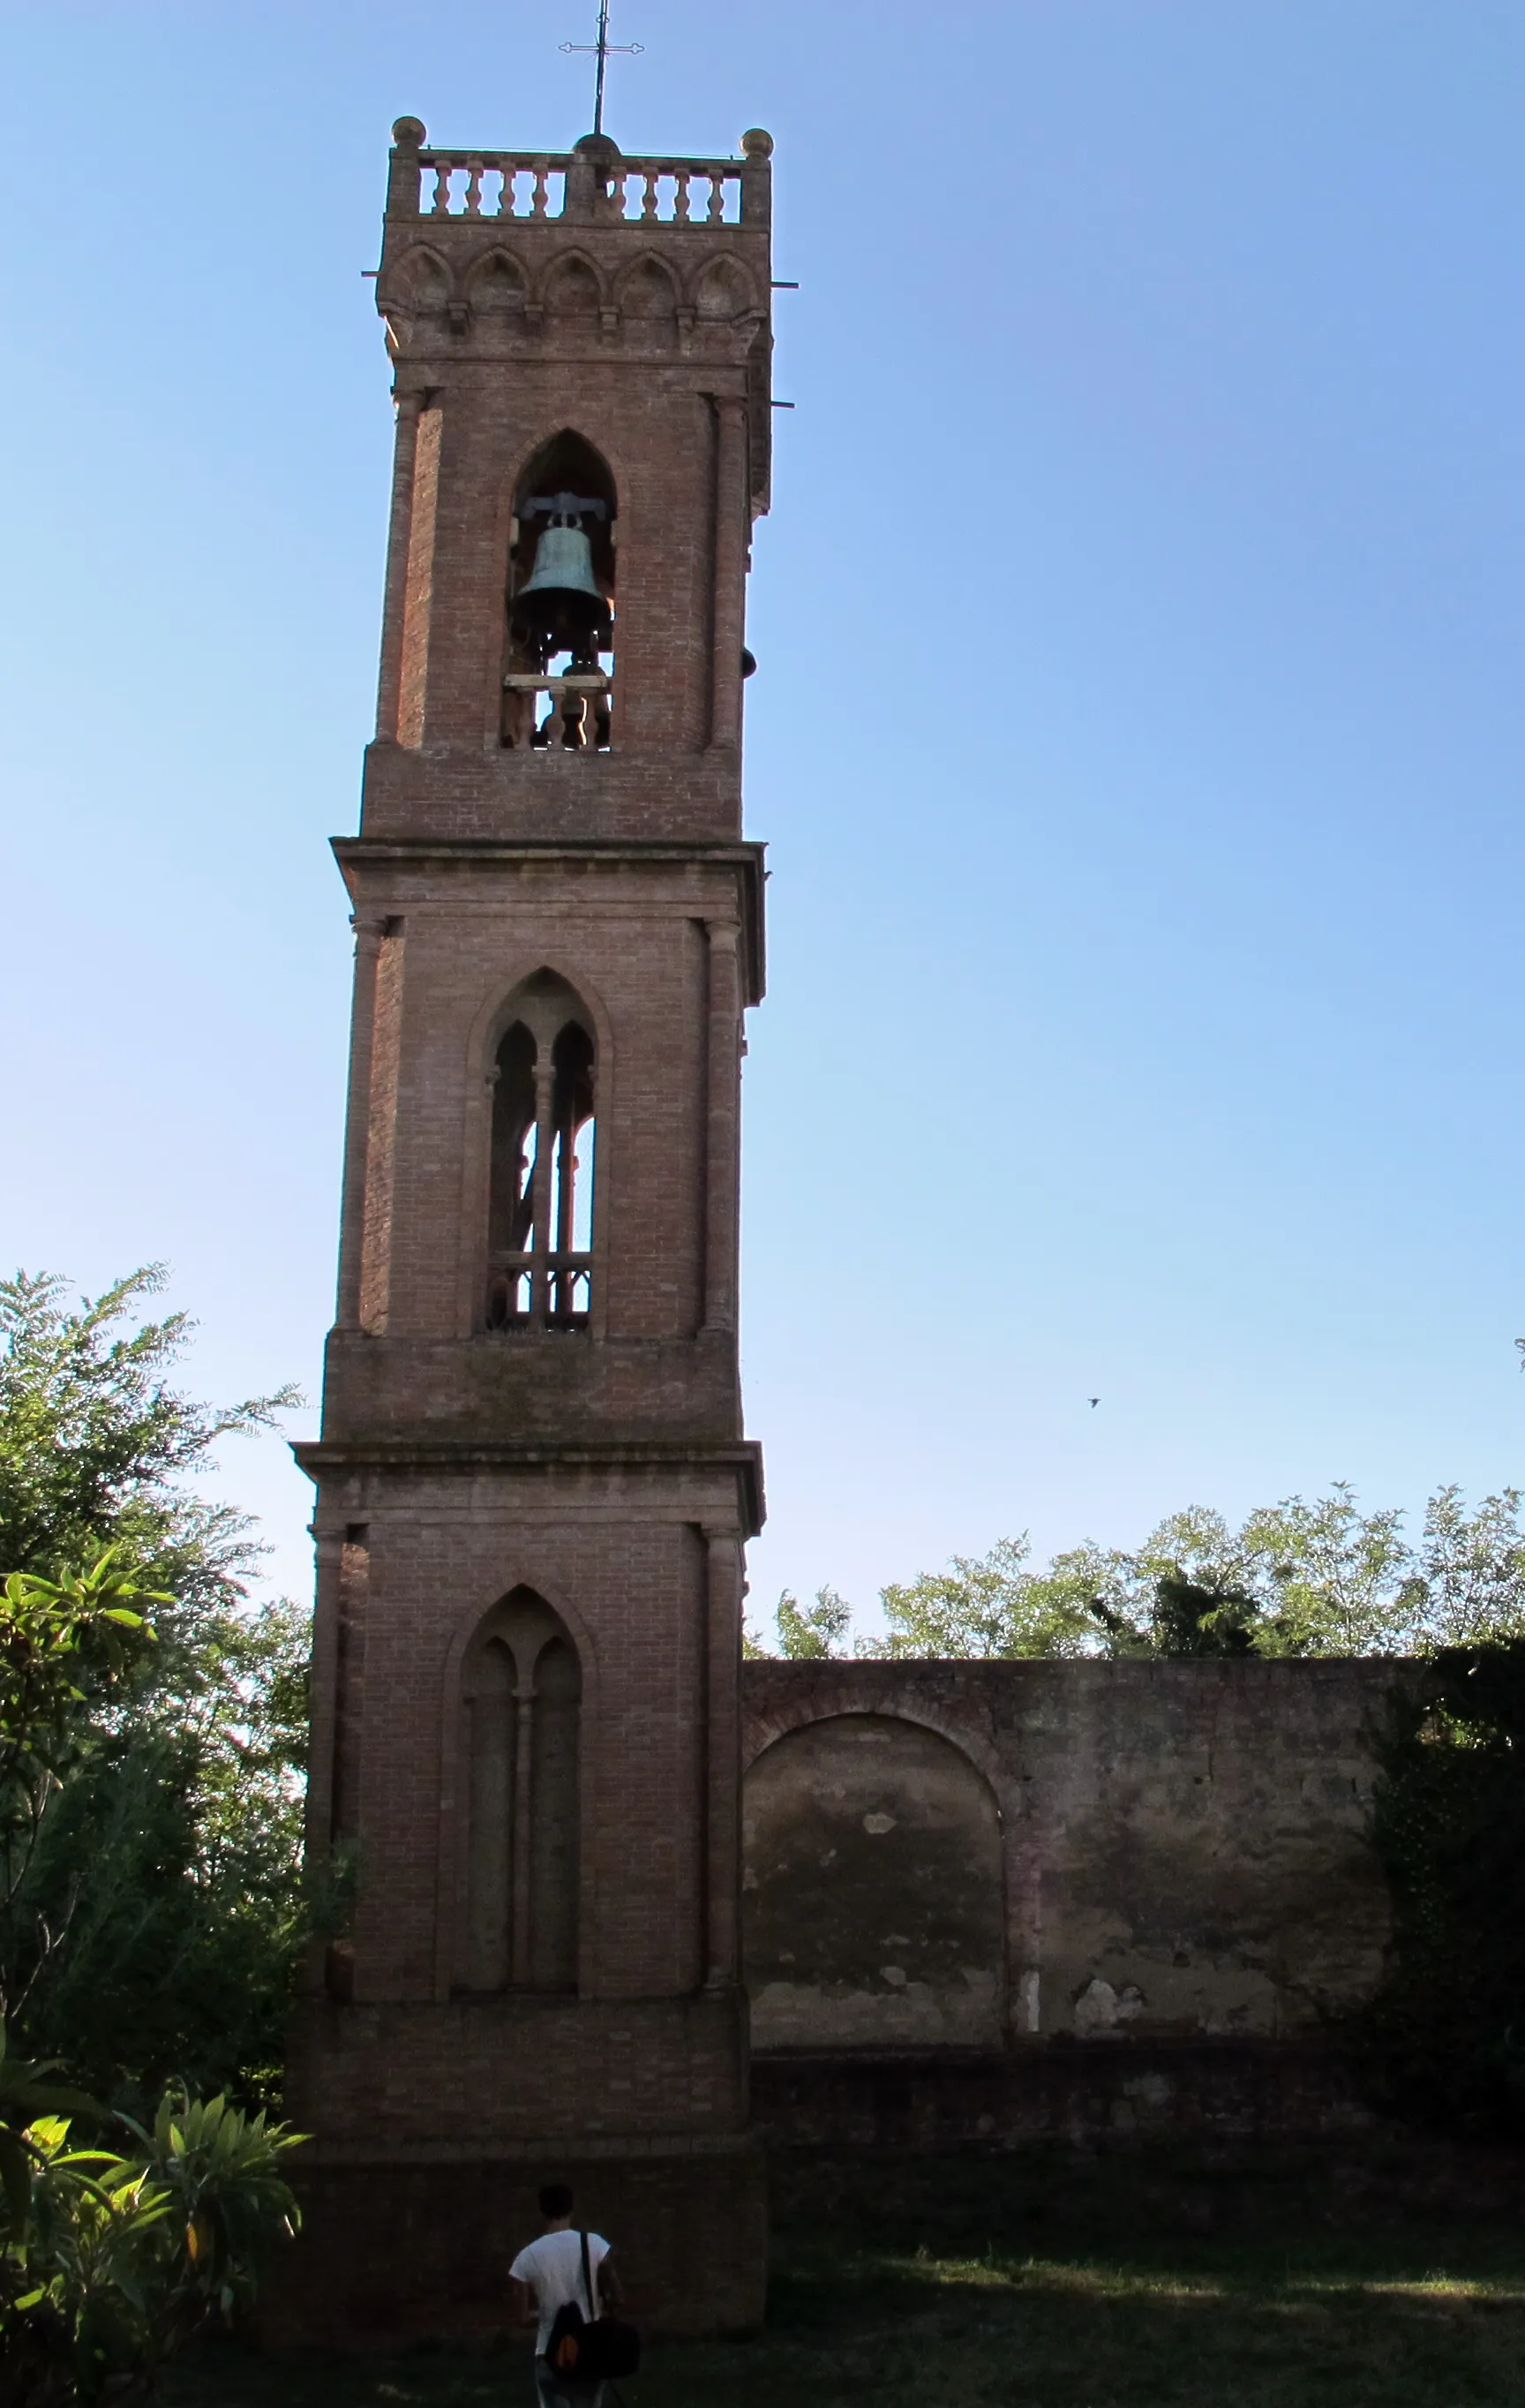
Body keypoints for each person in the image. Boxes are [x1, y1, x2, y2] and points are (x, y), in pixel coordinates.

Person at [510, 2180, 623, 2406]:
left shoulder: (526, 2257)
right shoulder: (594, 2244)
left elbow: (522, 2318)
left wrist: (539, 2314)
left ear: (542, 2212)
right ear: (571, 2209)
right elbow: (618, 2297)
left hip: (548, 2351)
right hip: (588, 2350)